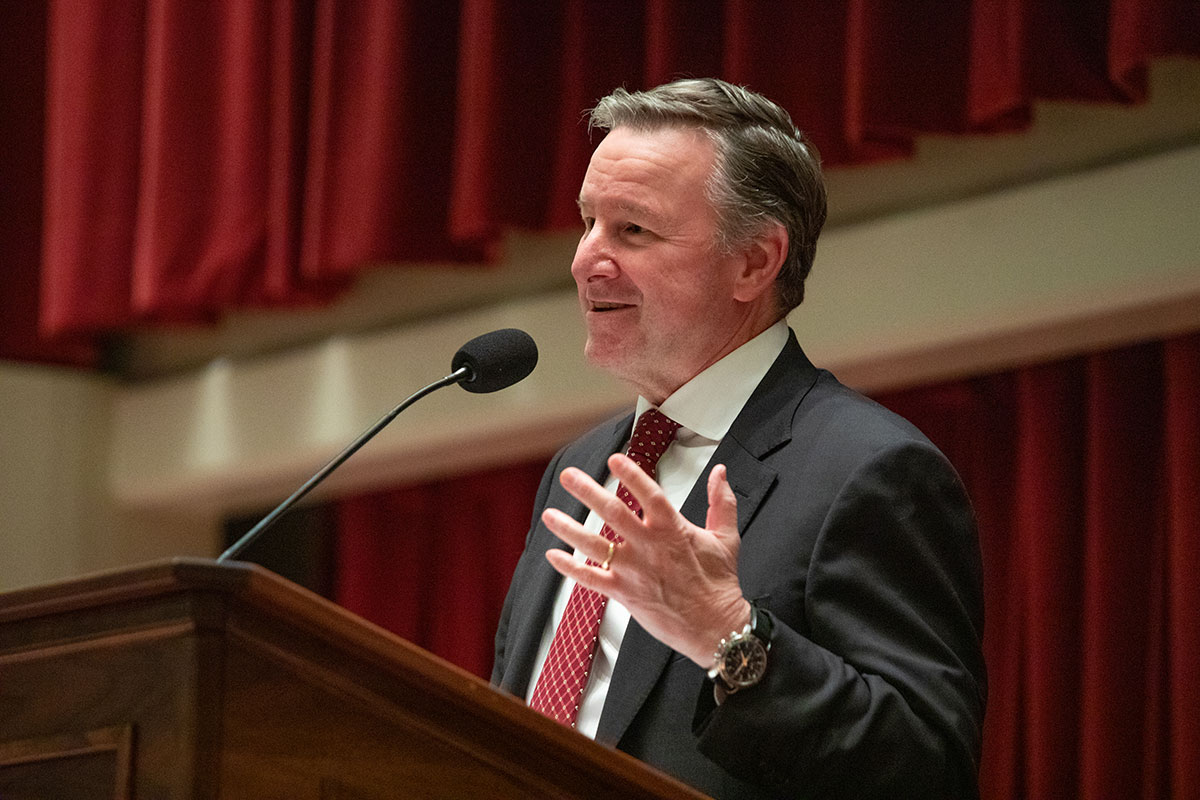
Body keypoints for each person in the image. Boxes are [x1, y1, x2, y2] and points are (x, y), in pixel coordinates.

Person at [492, 78, 986, 800]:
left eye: (632, 230)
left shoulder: (869, 468)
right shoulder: (581, 465)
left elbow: (925, 768)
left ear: (755, 262)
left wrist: (729, 635)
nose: (585, 259)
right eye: (588, 222)